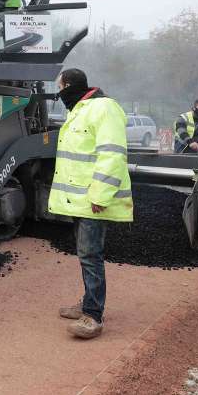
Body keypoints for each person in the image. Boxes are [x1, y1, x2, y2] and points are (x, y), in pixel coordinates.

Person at [49, 68, 133, 340]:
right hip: (81, 200)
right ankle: (88, 303)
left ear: (69, 85)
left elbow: (112, 155)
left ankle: (93, 316)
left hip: (94, 199)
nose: (59, 92)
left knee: (90, 255)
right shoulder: (80, 109)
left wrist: (100, 195)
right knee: (86, 254)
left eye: (59, 87)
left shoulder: (104, 109)